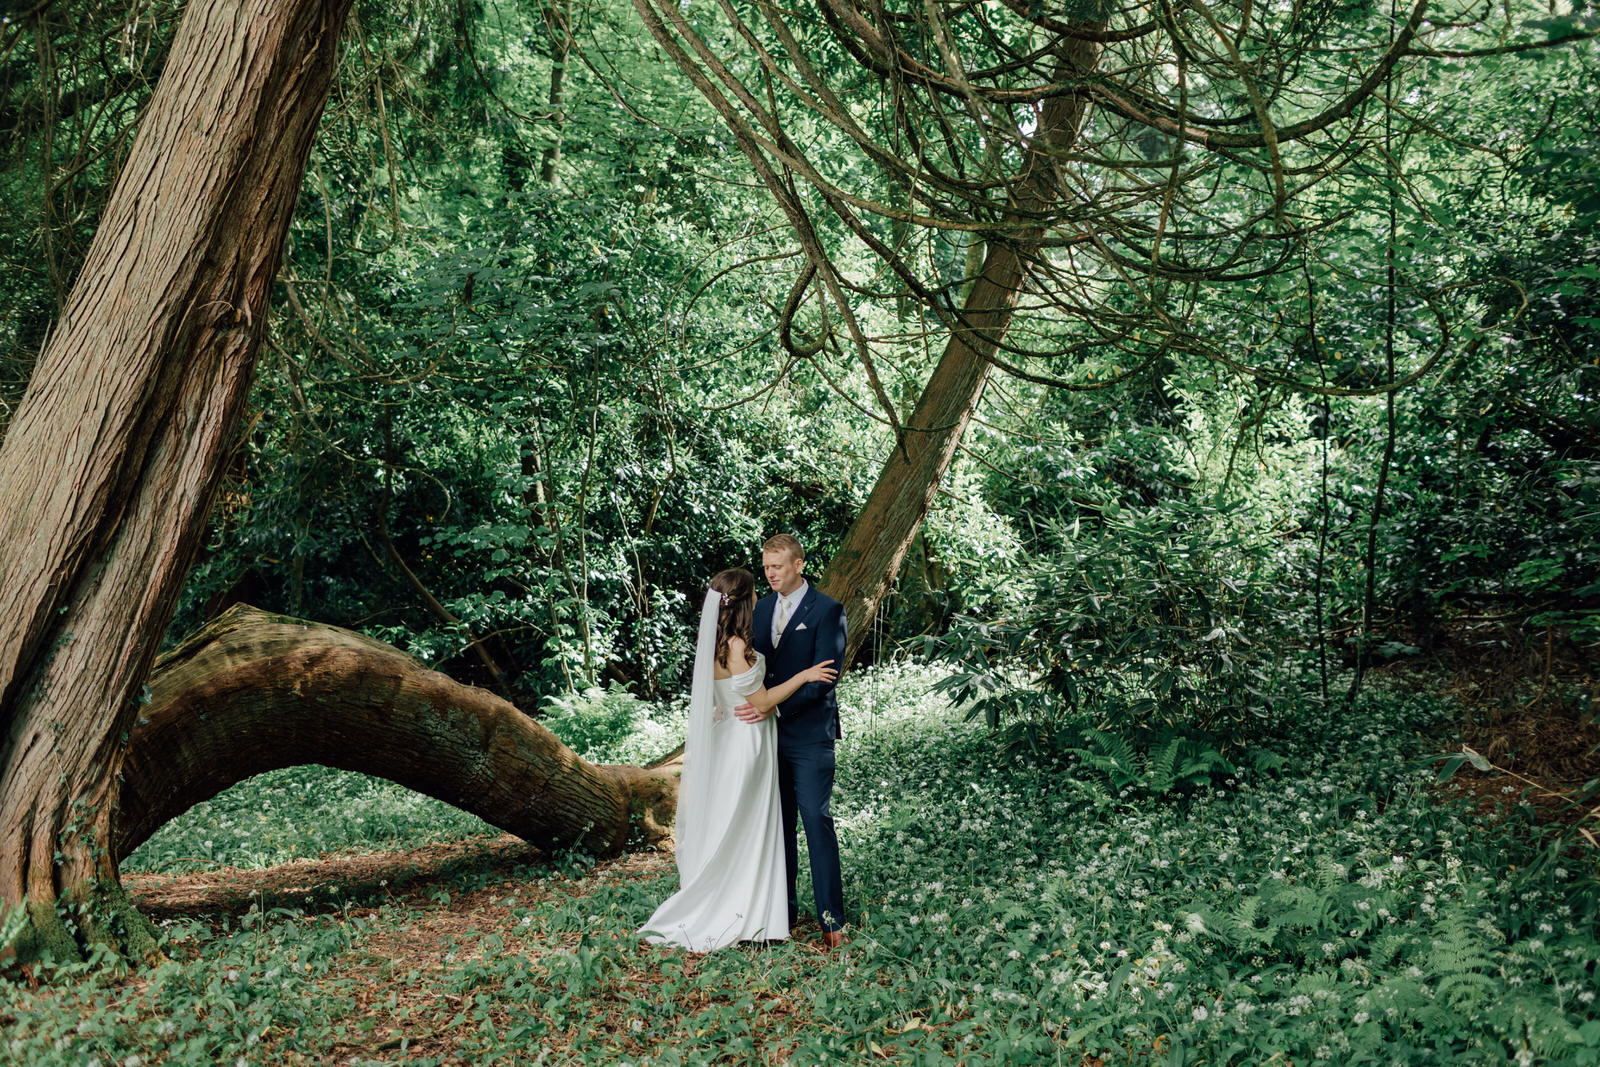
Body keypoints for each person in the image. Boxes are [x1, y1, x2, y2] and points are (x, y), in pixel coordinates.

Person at [639, 567, 836, 952]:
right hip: (748, 743)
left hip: (732, 736)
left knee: (738, 824)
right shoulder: (734, 646)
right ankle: (747, 914)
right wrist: (806, 674)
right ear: (746, 601)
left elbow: (716, 703)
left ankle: (755, 909)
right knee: (750, 826)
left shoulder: (712, 643)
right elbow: (761, 701)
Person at [735, 534, 849, 949]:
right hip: (765, 739)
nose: (770, 574)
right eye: (766, 567)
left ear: (799, 565)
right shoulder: (760, 609)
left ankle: (831, 920)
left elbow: (825, 678)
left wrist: (774, 707)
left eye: (777, 566)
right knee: (777, 826)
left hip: (809, 736)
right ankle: (778, 914)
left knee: (816, 822)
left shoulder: (828, 610)